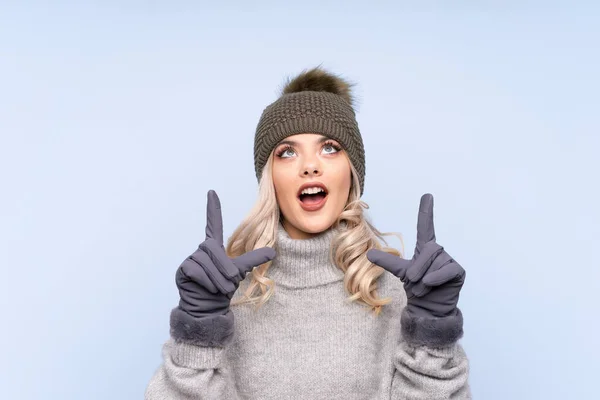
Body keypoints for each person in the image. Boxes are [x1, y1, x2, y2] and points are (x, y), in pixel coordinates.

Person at [145, 67, 471, 399]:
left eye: (329, 148)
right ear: (270, 179)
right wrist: (197, 336)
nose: (310, 166)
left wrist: (433, 336)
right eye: (287, 152)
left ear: (352, 171)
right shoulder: (223, 295)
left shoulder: (398, 295)